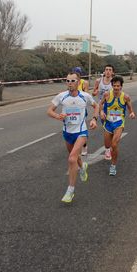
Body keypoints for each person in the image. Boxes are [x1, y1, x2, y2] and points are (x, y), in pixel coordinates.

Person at [47, 72, 99, 203]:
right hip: (67, 132)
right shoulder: (62, 96)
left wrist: (94, 119)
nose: (70, 83)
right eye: (68, 80)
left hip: (81, 131)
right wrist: (58, 116)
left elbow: (96, 106)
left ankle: (70, 191)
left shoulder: (85, 96)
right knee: (75, 156)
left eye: (72, 80)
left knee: (71, 159)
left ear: (78, 82)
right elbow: (49, 111)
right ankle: (82, 167)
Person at [99, 76, 136, 175]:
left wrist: (132, 113)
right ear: (112, 86)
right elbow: (100, 104)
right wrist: (101, 112)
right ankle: (111, 151)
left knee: (114, 144)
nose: (116, 88)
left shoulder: (125, 97)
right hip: (108, 123)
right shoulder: (107, 95)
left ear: (121, 87)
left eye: (118, 86)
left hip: (119, 123)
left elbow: (130, 108)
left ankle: (113, 165)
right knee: (107, 145)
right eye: (114, 86)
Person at [92, 64, 115, 159]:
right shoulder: (98, 81)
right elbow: (93, 92)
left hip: (111, 108)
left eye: (110, 70)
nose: (108, 71)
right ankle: (107, 150)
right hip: (101, 107)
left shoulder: (114, 82)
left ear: (113, 72)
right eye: (106, 69)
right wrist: (95, 92)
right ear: (104, 71)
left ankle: (110, 146)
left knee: (113, 130)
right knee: (106, 129)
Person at [72, 67, 90, 156]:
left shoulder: (84, 83)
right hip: (72, 109)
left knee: (81, 128)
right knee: (73, 128)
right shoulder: (71, 82)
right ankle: (75, 146)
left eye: (78, 74)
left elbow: (86, 96)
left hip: (82, 110)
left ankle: (84, 147)